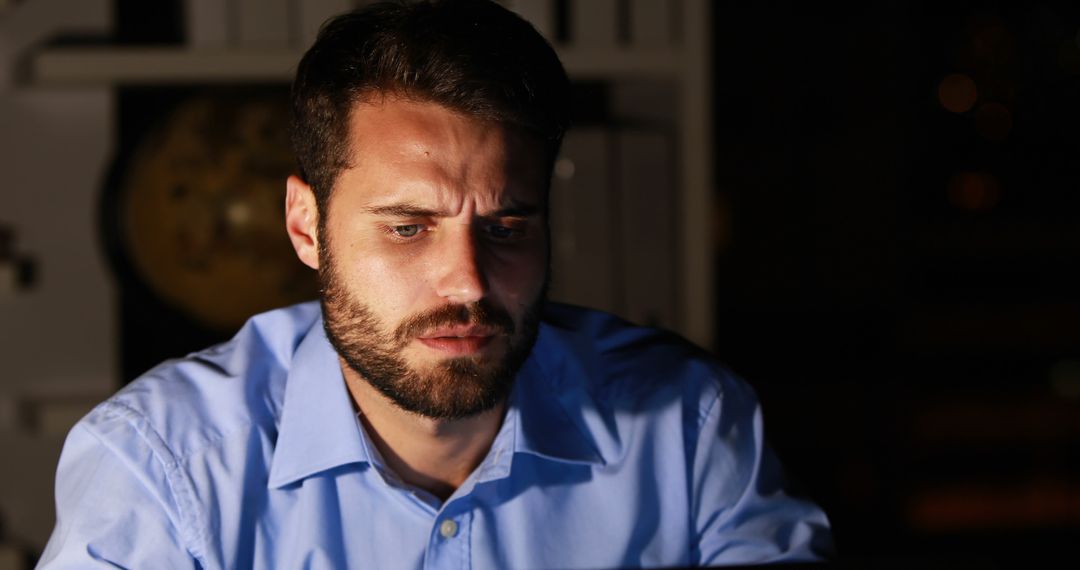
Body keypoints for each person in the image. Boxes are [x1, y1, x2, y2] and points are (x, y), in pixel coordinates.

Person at [39, 1, 831, 568]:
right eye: (408, 226)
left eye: (507, 227)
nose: (468, 280)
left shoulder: (690, 433)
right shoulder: (161, 470)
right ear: (306, 227)